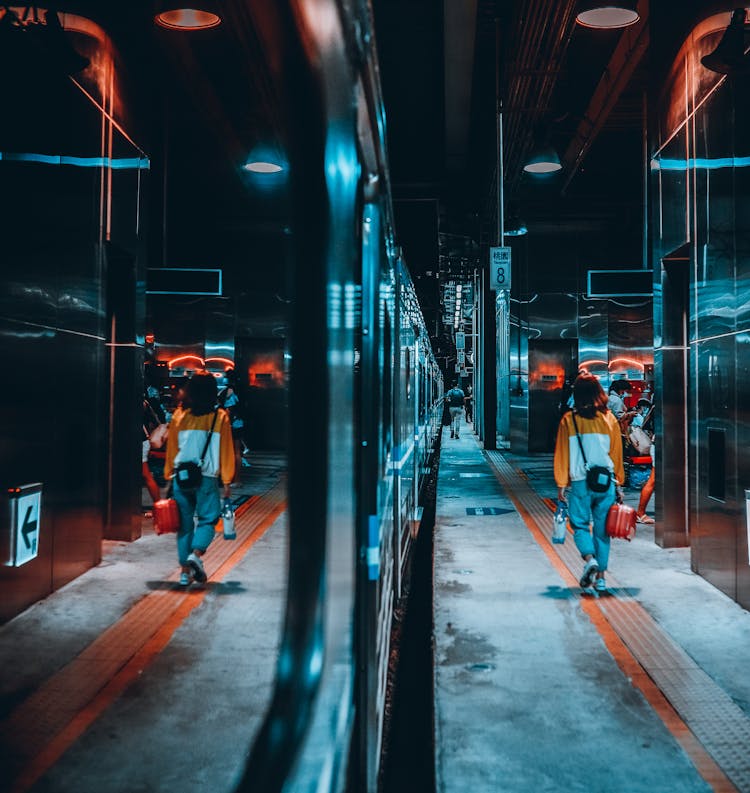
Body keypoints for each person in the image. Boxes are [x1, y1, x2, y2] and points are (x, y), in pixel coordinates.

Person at [554, 372, 624, 593]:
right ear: (599, 393)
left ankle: (589, 559)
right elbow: (616, 453)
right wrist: (619, 482)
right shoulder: (609, 419)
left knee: (580, 525)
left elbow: (562, 453)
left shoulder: (569, 420)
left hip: (581, 482)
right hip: (606, 482)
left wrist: (561, 483)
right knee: (603, 530)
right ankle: (601, 579)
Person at [164, 372, 235, 586]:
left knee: (184, 526)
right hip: (206, 478)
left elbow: (172, 449)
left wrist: (168, 476)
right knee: (208, 519)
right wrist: (227, 480)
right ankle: (196, 554)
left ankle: (185, 574)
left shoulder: (179, 415)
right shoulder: (219, 417)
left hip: (181, 478)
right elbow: (225, 450)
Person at [218, 369, 246, 483]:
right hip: (239, 423)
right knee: (237, 452)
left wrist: (226, 424)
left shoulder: (229, 391)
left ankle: (235, 480)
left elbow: (229, 410)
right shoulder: (240, 390)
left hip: (232, 426)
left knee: (234, 452)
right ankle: (236, 480)